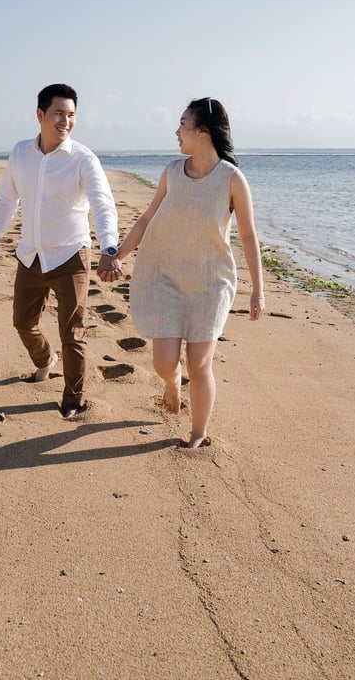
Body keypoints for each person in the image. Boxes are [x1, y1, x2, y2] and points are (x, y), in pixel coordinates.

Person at [116, 97, 265, 448]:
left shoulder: (232, 179)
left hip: (211, 282)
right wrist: (118, 254)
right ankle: (171, 383)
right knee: (164, 362)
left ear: (202, 132)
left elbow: (247, 235)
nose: (177, 131)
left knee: (199, 364)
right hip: (166, 276)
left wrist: (257, 289)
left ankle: (198, 433)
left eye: (183, 124)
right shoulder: (171, 172)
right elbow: (147, 218)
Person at [0, 83, 122, 418]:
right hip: (31, 256)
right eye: (59, 113)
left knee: (72, 332)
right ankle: (45, 360)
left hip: (71, 256)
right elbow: (5, 202)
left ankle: (73, 399)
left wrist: (109, 246)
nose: (66, 121)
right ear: (40, 114)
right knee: (22, 323)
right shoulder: (20, 153)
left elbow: (103, 205)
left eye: (71, 115)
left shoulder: (83, 159)